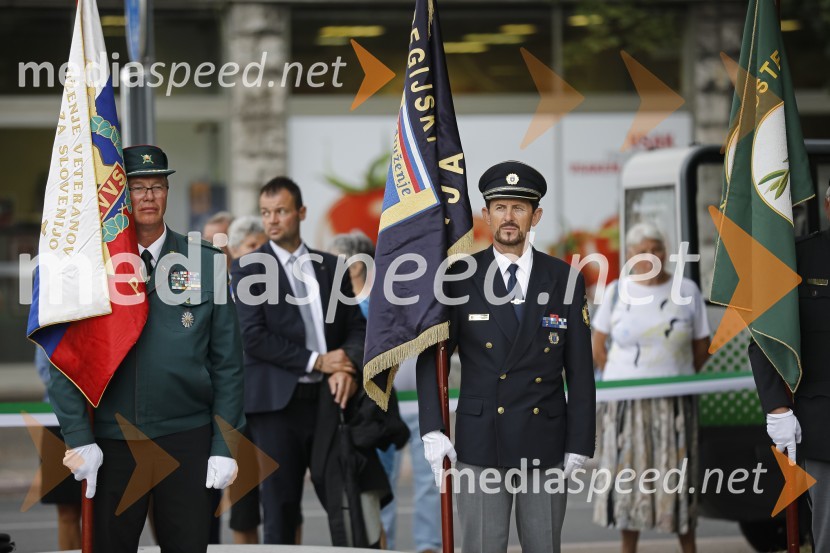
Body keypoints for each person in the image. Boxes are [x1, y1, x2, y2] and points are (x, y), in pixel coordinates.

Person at [48, 145, 245, 553]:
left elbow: (228, 365)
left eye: (157, 186)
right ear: (121, 195)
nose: (149, 196)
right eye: (137, 188)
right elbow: (65, 359)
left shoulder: (205, 262)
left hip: (186, 438)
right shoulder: (91, 267)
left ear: (168, 193)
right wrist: (78, 436)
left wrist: (225, 445)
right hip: (111, 442)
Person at [416, 161, 596, 553]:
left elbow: (580, 371)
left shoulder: (564, 279)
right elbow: (433, 357)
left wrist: (580, 442)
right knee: (482, 547)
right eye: (500, 207)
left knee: (543, 547)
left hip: (545, 442)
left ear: (536, 216)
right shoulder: (460, 277)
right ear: (486, 214)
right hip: (481, 443)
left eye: (519, 207)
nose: (508, 217)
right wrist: (432, 428)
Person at [231, 176, 367, 545]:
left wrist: (348, 368)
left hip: (331, 402)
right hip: (276, 409)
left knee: (346, 502)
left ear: (301, 212)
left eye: (281, 211)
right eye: (265, 213)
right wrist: (317, 362)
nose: (272, 220)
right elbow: (252, 337)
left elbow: (358, 328)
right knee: (280, 508)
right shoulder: (249, 269)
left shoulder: (332, 267)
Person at [591, 221, 711, 553]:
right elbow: (598, 348)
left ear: (666, 252)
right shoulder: (616, 290)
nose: (651, 255)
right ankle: (628, 548)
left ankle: (688, 547)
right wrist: (626, 380)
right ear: (629, 255)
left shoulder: (686, 291)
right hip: (625, 407)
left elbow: (702, 346)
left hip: (674, 406)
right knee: (629, 482)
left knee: (678, 482)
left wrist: (676, 375)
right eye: (642, 250)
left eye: (656, 248)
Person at [328, 232, 437, 552]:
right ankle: (381, 542)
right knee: (380, 481)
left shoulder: (391, 298)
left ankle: (428, 544)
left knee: (428, 480)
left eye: (338, 260)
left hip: (417, 402)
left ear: (358, 263)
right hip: (376, 407)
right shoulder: (340, 307)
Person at [750, 182, 830, 550]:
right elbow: (766, 338)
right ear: (828, 205)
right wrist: (777, 408)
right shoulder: (798, 259)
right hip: (825, 426)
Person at [224, 214, 267, 545]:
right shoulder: (220, 293)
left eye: (264, 247)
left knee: (282, 503)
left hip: (273, 403)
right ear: (235, 251)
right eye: (252, 247)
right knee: (243, 504)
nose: (258, 254)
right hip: (236, 410)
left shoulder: (280, 291)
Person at [34, 347, 82, 551]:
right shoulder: (53, 316)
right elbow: (46, 370)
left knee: (123, 507)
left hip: (106, 417)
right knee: (67, 509)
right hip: (60, 417)